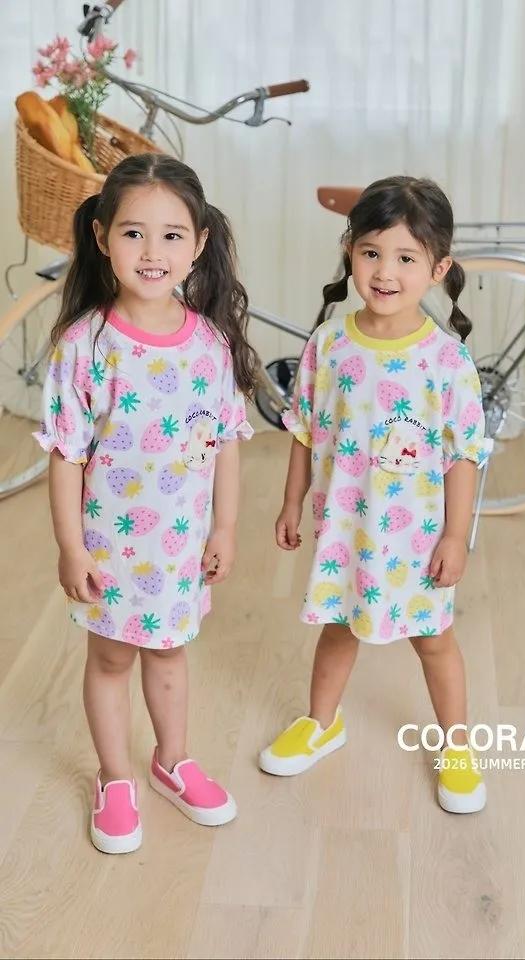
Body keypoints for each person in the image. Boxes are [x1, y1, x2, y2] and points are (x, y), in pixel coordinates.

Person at [34, 152, 257, 853]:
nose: (152, 252)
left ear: (199, 243)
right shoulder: (85, 346)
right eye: (134, 233)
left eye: (171, 235)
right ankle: (115, 778)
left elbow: (226, 441)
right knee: (110, 661)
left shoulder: (211, 346)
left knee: (168, 655)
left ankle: (172, 760)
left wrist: (224, 526)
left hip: (180, 545)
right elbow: (66, 455)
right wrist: (71, 547)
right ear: (102, 238)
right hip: (109, 550)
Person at [258, 175, 493, 814]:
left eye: (406, 258)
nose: (385, 272)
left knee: (433, 639)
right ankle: (321, 722)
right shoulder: (329, 343)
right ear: (350, 252)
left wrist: (454, 535)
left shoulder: (446, 360)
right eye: (370, 253)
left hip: (417, 538)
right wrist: (290, 501)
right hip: (345, 529)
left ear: (438, 269)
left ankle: (456, 745)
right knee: (339, 626)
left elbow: (464, 454)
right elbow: (304, 429)